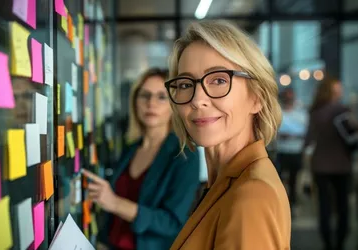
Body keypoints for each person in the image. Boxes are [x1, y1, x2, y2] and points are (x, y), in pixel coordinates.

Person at [164, 20, 290, 250]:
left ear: (257, 97)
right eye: (185, 84)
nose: (196, 99)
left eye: (219, 80)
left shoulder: (251, 195)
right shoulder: (226, 183)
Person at [82, 68, 200, 250]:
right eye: (144, 95)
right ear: (135, 102)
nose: (151, 103)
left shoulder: (184, 154)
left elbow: (173, 223)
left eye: (161, 97)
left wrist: (115, 203)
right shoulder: (130, 149)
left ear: (174, 105)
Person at [304, 77, 357, 250]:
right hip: (342, 165)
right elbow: (351, 139)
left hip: (320, 165)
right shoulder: (342, 111)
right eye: (339, 88)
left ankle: (327, 244)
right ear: (334, 91)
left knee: (324, 208)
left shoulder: (315, 111)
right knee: (343, 208)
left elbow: (309, 141)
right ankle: (340, 243)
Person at [277, 87, 308, 215]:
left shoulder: (300, 113)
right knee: (279, 179)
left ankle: (293, 205)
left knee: (294, 180)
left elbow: (306, 130)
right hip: (282, 150)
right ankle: (280, 204)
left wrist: (296, 136)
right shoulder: (278, 113)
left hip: (296, 151)